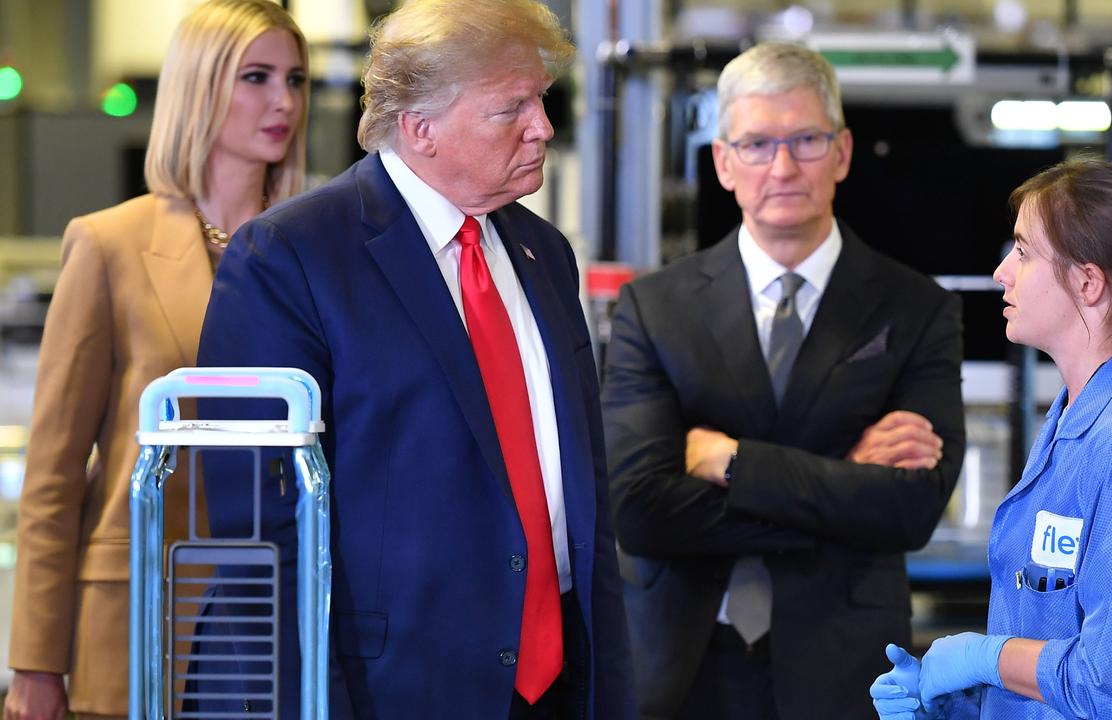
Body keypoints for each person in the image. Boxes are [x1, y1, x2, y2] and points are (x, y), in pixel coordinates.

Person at [193, 1, 636, 718]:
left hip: (555, 684)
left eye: (543, 101)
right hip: (388, 691)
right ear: (420, 126)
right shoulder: (292, 256)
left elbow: (585, 499)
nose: (544, 128)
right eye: (511, 108)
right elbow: (261, 535)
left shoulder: (544, 253)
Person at [602, 42, 965, 720]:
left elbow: (911, 509)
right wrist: (841, 479)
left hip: (845, 673)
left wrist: (732, 463)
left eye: (805, 139)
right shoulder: (656, 307)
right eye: (758, 143)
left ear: (843, 152)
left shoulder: (915, 309)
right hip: (678, 669)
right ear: (722, 161)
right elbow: (640, 511)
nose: (783, 165)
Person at [4, 2, 308, 719]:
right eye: (256, 77)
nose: (285, 102)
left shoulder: (313, 249)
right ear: (198, 86)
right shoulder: (109, 244)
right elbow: (53, 474)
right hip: (139, 609)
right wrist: (35, 665)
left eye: (294, 79)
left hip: (282, 613)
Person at [870, 158, 1112, 719]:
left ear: (1088, 283)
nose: (1002, 272)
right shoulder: (1077, 419)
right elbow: (1059, 655)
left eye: (1022, 252)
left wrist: (986, 658)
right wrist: (960, 704)